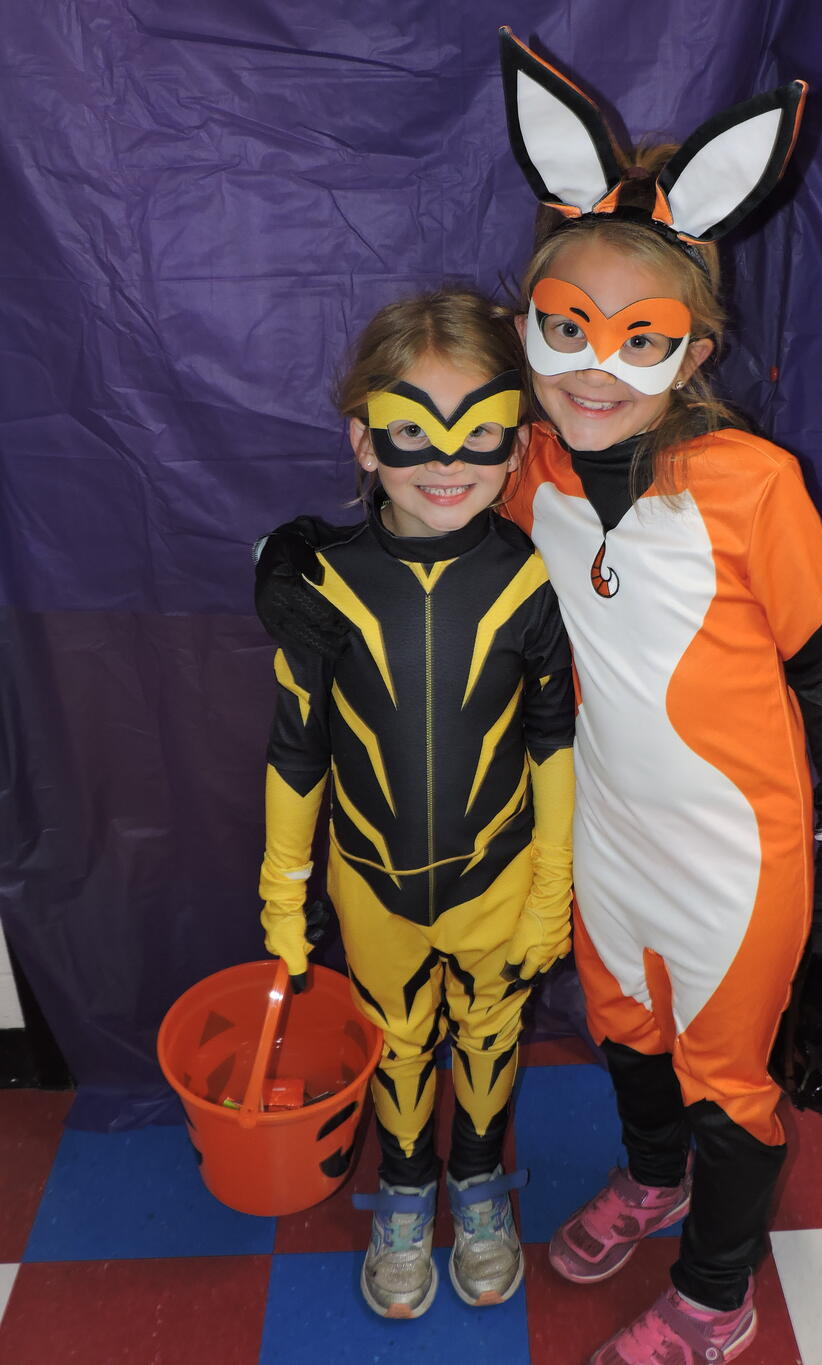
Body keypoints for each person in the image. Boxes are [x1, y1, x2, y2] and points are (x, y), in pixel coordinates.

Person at [498, 30, 822, 1365]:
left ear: (695, 347)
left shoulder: (752, 486)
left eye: (640, 340)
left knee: (731, 1079)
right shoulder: (527, 466)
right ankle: (653, 1177)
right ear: (527, 325)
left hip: (736, 854)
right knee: (625, 1028)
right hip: (606, 837)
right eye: (565, 329)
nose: (595, 370)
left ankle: (717, 1296)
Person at [253, 288, 575, 1320]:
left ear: (516, 444)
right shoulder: (321, 585)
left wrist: (550, 889)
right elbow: (297, 747)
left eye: (480, 434)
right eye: (411, 431)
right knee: (395, 1040)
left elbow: (553, 743)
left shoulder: (532, 579)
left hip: (499, 877)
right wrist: (283, 889)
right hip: (371, 884)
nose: (447, 462)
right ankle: (403, 1189)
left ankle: (475, 1180)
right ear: (363, 439)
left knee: (488, 1034)